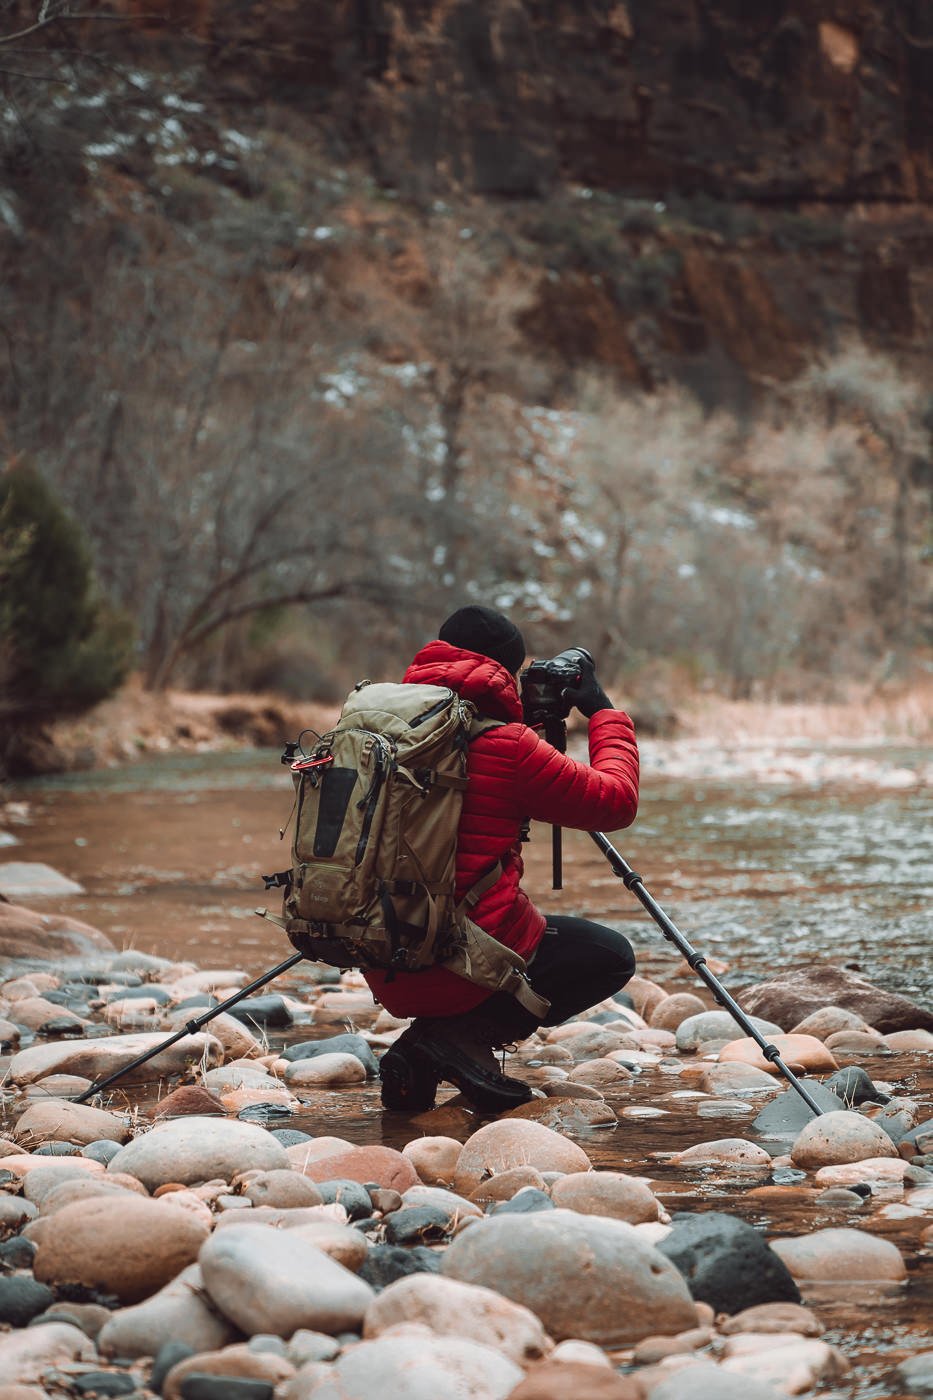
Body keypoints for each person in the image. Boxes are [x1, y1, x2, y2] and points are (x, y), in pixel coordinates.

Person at [371, 604, 640, 1115]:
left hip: (376, 951)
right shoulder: (507, 747)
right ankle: (452, 1036)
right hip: (455, 964)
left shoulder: (381, 731)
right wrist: (603, 711)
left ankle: (425, 1057)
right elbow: (615, 801)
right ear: (503, 672)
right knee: (609, 956)